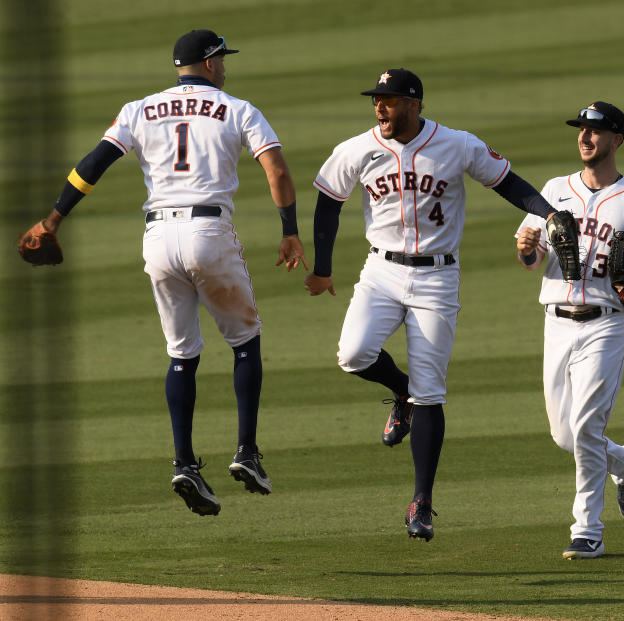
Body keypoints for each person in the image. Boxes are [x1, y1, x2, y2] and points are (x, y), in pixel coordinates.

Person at [21, 29, 308, 516]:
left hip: (157, 239)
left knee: (181, 354)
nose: (225, 66)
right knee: (245, 340)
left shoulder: (139, 108)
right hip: (209, 233)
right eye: (223, 59)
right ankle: (247, 453)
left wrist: (52, 219)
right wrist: (290, 231)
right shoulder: (239, 109)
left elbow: (93, 164)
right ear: (211, 62)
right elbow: (276, 170)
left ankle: (183, 462)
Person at [304, 68, 563, 541]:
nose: (380, 106)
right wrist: (323, 267)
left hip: (438, 278)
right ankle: (399, 391)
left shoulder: (457, 144)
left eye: (390, 99)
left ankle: (421, 502)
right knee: (352, 353)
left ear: (414, 103)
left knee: (432, 392)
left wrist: (548, 213)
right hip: (380, 271)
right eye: (376, 99)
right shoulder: (357, 149)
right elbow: (327, 201)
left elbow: (507, 182)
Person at [515, 102, 624, 559]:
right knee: (565, 436)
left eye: (596, 130)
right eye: (582, 130)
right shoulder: (553, 190)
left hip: (605, 326)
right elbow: (532, 261)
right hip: (556, 321)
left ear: (617, 139)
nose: (585, 137)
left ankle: (587, 530)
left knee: (587, 426)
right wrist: (529, 248)